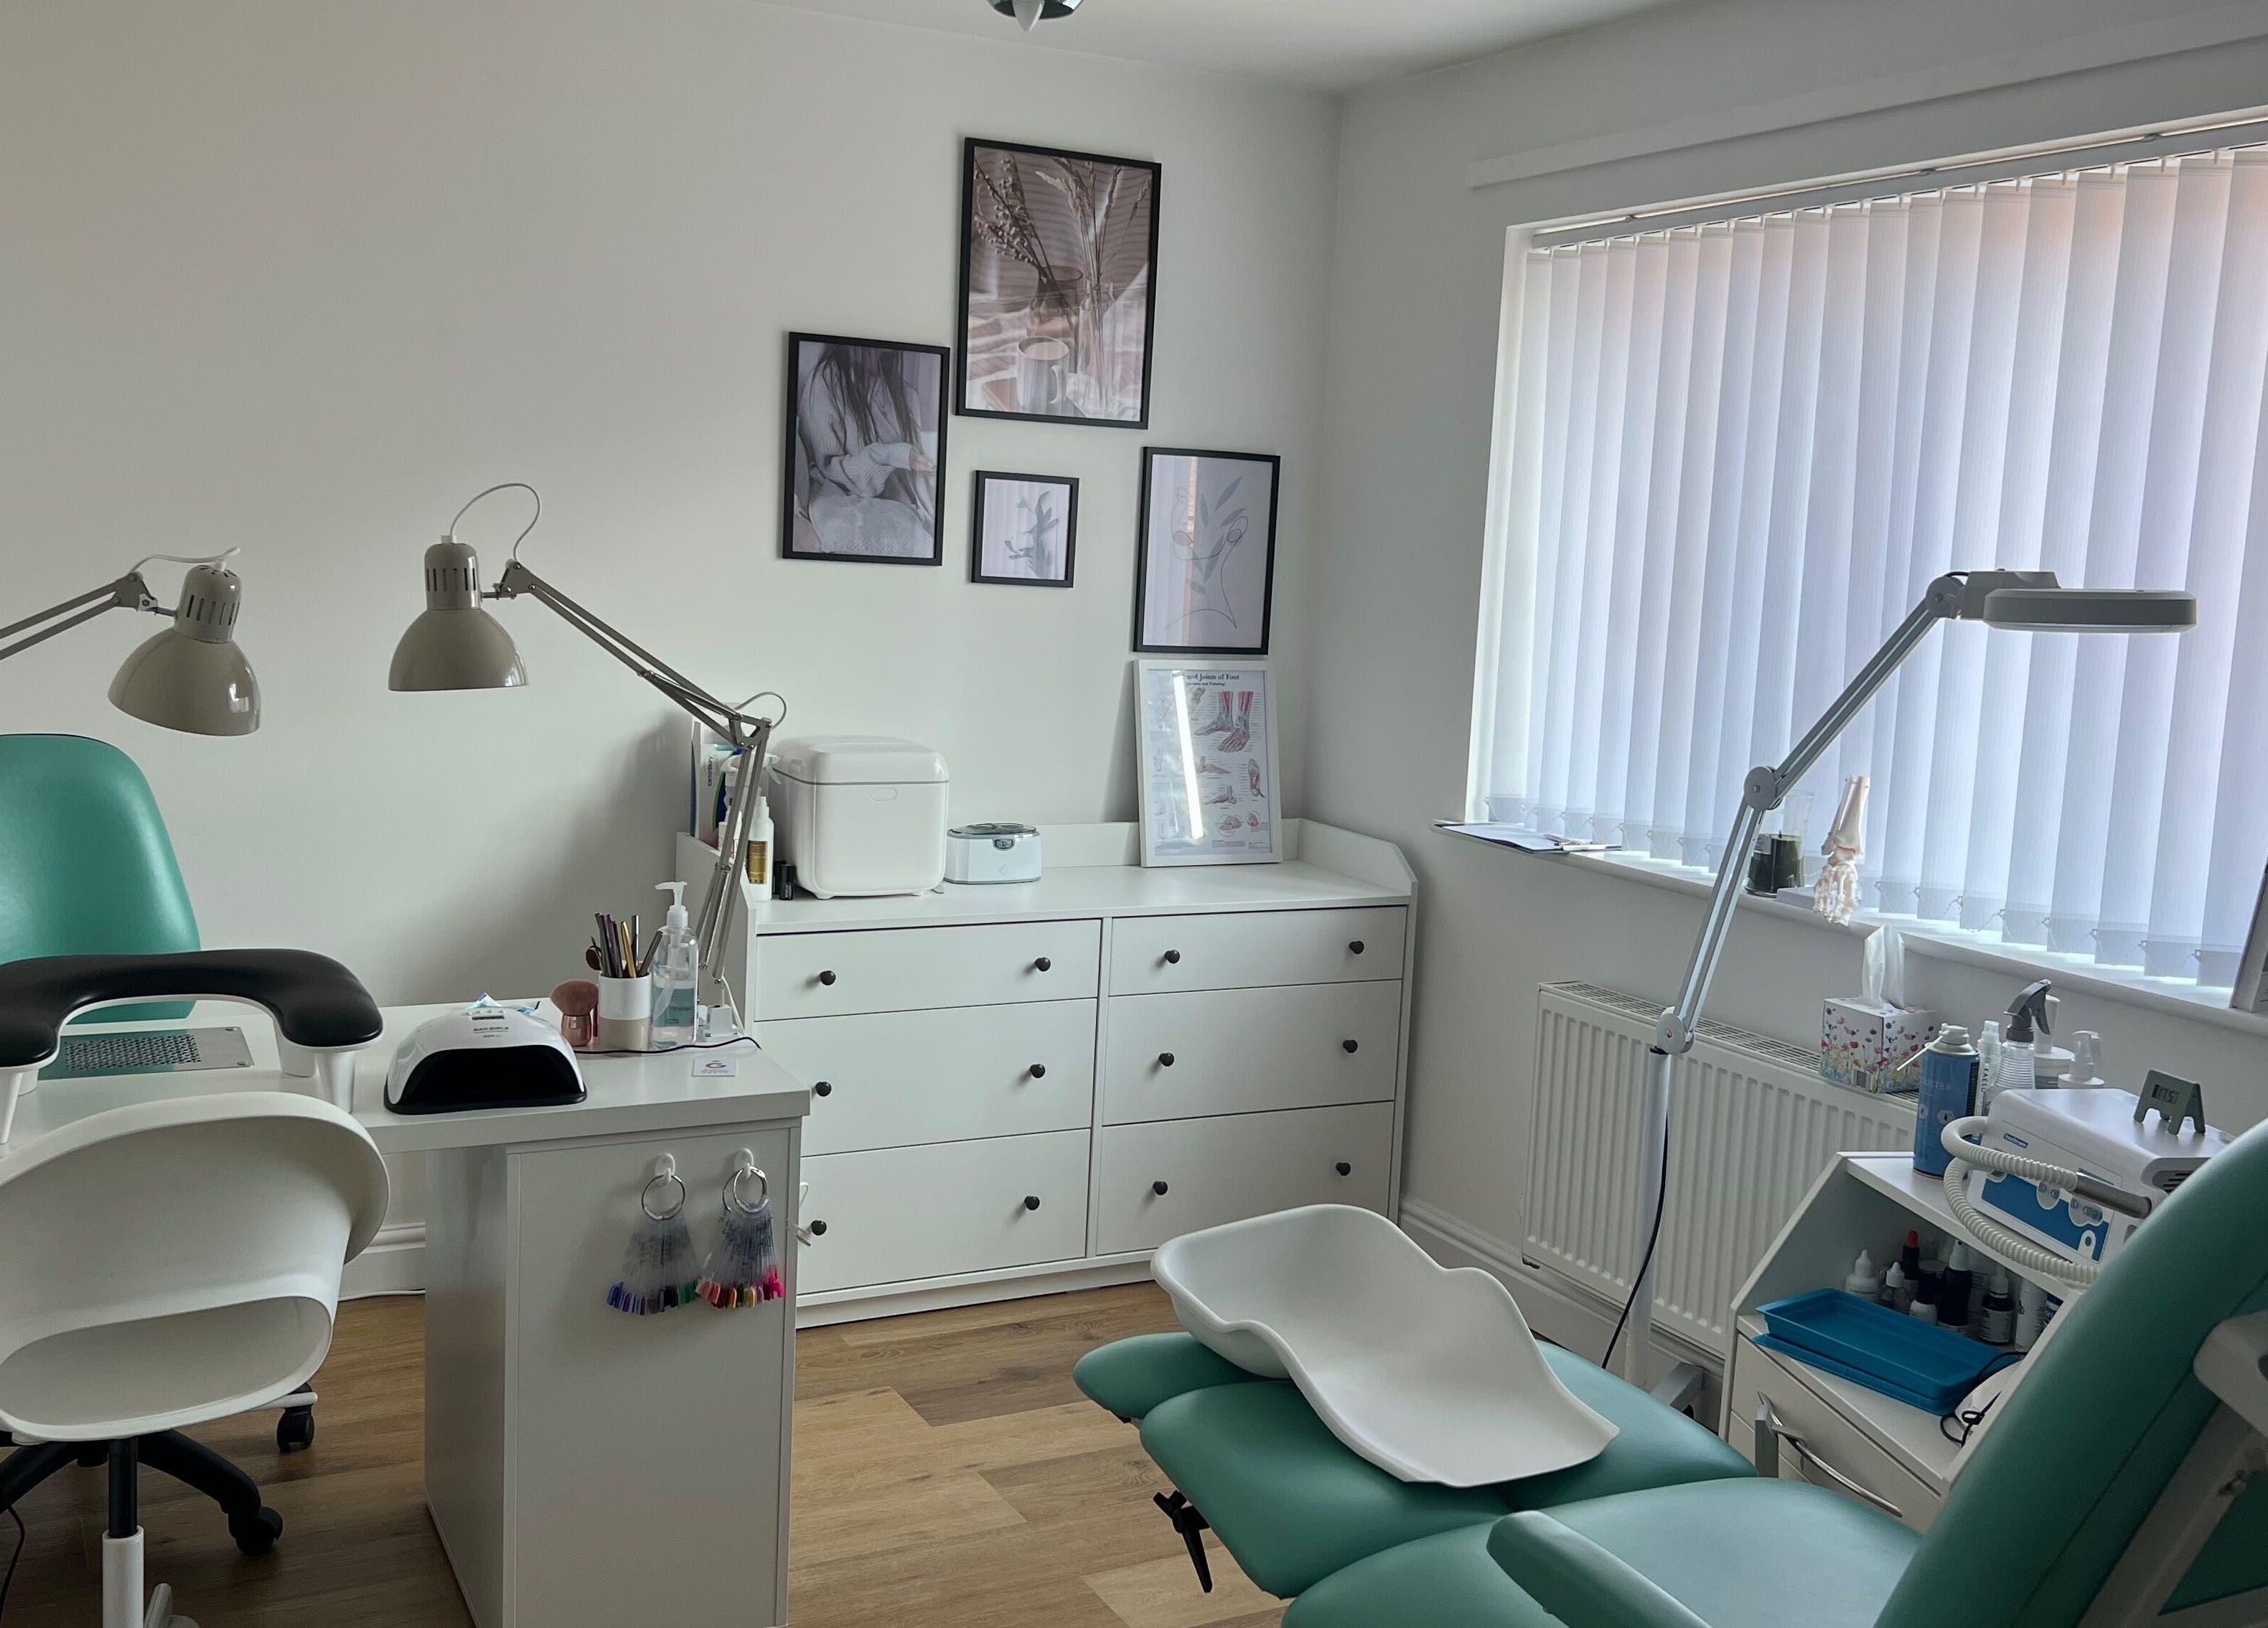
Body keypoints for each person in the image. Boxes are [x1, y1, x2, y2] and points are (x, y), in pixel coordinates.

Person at [796, 344, 937, 557]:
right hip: (850, 500)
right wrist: (892, 455)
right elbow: (830, 469)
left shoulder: (904, 392)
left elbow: (918, 469)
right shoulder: (826, 380)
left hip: (907, 505)